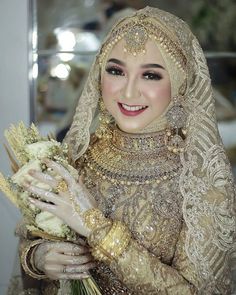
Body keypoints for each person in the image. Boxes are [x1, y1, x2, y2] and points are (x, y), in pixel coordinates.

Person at [17, 6, 235, 295]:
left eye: (151, 76)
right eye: (116, 71)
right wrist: (39, 258)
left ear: (181, 83)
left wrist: (96, 225)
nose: (129, 92)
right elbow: (29, 243)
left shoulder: (201, 181)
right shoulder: (77, 157)